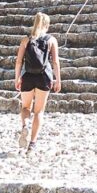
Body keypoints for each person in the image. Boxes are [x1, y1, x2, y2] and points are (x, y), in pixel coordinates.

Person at [14, 12, 61, 150]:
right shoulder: (52, 40)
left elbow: (18, 62)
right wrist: (58, 80)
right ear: (47, 25)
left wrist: (17, 78)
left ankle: (25, 125)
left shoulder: (25, 40)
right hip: (44, 77)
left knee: (25, 107)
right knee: (39, 111)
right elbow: (55, 62)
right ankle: (32, 145)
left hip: (27, 76)